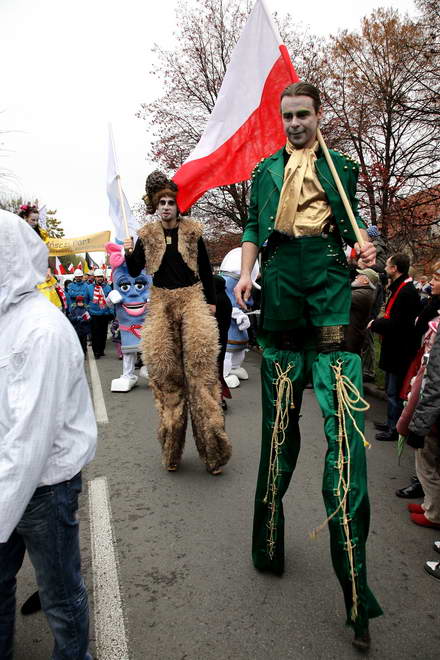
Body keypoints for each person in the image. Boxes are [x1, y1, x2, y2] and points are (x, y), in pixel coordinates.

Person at [234, 82, 381, 649]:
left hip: (328, 289)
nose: (295, 123)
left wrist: (364, 248)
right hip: (281, 295)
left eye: (304, 115)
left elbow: (355, 228)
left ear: (320, 116)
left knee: (344, 433)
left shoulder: (341, 167)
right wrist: (246, 274)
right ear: (282, 119)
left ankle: (355, 593)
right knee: (277, 431)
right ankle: (267, 542)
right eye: (288, 115)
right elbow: (253, 229)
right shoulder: (266, 170)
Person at [0, 210, 96, 660]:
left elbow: (30, 437)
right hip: (7, 481)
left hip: (43, 487)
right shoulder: (6, 320)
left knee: (60, 596)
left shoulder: (41, 329)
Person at [124, 170, 231, 475]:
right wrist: (128, 249)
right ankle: (171, 450)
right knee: (167, 377)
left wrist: (210, 303)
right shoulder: (147, 235)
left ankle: (213, 451)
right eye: (162, 203)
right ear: (156, 208)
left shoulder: (193, 231)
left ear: (177, 205)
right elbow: (133, 271)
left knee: (201, 376)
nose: (167, 207)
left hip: (192, 300)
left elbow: (206, 272)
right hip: (161, 302)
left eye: (171, 202)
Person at [369, 254, 421, 441]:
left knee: (395, 391)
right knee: (392, 389)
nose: (385, 268)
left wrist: (375, 324)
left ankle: (394, 428)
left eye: (388, 265)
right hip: (396, 348)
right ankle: (390, 421)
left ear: (395, 269)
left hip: (401, 350)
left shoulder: (406, 292)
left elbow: (397, 323)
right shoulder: (401, 288)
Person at [345, 268, 378, 355]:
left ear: (365, 281)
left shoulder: (365, 294)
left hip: (352, 338)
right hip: (352, 335)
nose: (356, 276)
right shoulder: (364, 291)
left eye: (359, 275)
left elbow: (343, 297)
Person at [85, 268, 112, 359]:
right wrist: (88, 310)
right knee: (95, 334)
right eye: (97, 277)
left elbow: (111, 301)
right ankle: (96, 351)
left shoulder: (108, 287)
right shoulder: (89, 287)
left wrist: (111, 313)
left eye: (100, 276)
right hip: (94, 314)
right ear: (94, 278)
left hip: (104, 314)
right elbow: (86, 300)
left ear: (103, 277)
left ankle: (101, 350)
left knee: (103, 333)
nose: (99, 278)